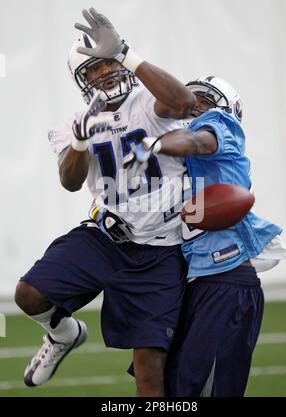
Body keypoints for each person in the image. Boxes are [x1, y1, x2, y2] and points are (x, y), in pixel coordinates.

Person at [14, 8, 196, 396]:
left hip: (161, 252)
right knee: (28, 294)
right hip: (106, 238)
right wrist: (80, 141)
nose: (104, 73)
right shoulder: (73, 123)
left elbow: (184, 103)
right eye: (92, 70)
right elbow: (70, 182)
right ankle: (63, 334)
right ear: (81, 81)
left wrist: (128, 52)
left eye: (108, 63)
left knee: (150, 373)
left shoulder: (150, 101)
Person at [124, 76, 286, 396]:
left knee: (204, 391)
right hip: (188, 283)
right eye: (190, 97)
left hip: (223, 281)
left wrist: (153, 144)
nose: (192, 103)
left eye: (204, 99)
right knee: (166, 384)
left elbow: (200, 141)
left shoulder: (218, 126)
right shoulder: (174, 160)